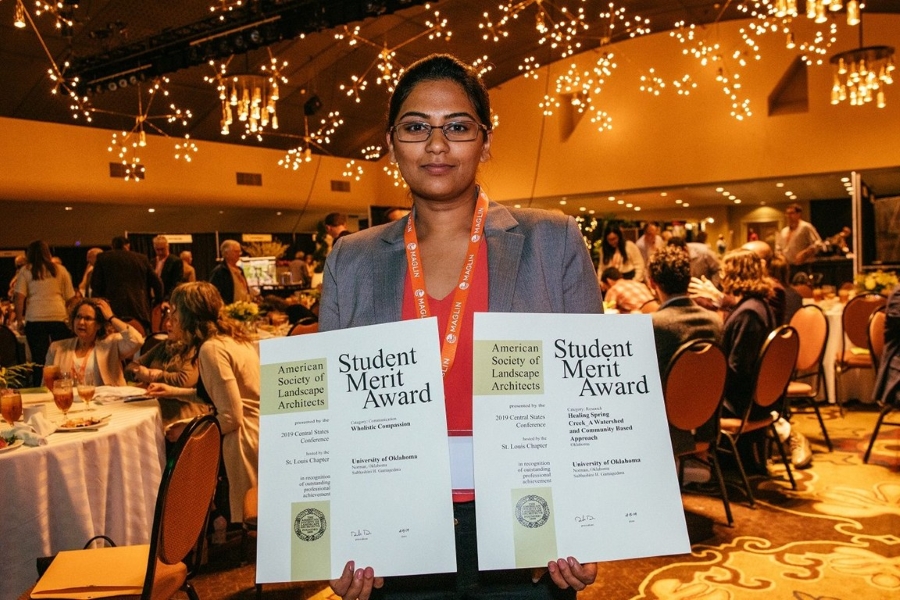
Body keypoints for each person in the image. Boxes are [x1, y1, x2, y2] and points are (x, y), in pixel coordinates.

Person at [319, 53, 600, 600]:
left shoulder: (552, 240)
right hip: (393, 529)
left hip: (528, 527)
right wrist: (334, 536)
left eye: (457, 127)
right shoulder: (350, 259)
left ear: (485, 142)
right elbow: (330, 412)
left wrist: (591, 522)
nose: (436, 144)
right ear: (391, 143)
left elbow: (587, 395)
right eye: (416, 127)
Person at [146, 282, 259, 523]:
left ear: (188, 315)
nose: (170, 319)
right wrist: (173, 392)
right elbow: (223, 395)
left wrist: (189, 430)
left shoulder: (211, 349)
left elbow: (231, 417)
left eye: (174, 311)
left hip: (242, 442)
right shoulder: (233, 339)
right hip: (259, 432)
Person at [646, 246, 723, 456]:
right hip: (707, 424)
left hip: (665, 432)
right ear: (689, 281)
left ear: (652, 283)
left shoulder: (651, 325)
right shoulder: (715, 322)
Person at [13, 241, 77, 385]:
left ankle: (40, 386)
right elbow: (71, 298)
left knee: (39, 360)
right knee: (61, 357)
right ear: (48, 252)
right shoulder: (60, 270)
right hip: (59, 317)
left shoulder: (25, 271)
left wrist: (19, 320)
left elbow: (19, 297)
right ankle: (64, 385)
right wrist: (71, 318)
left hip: (35, 319)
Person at [45, 297, 144, 386]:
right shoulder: (57, 348)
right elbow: (46, 386)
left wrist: (111, 317)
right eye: (78, 317)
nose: (81, 322)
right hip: (70, 399)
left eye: (87, 318)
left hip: (107, 399)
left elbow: (137, 340)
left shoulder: (110, 343)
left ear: (98, 324)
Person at [91, 235, 163, 333]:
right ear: (127, 246)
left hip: (111, 310)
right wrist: (157, 302)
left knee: (112, 340)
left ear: (112, 246)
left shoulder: (102, 258)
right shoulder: (142, 258)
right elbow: (157, 283)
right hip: (138, 309)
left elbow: (95, 285)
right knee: (139, 339)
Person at [208, 239, 252, 304]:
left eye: (240, 251)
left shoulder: (240, 270)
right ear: (226, 254)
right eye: (236, 251)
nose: (239, 254)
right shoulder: (219, 271)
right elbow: (213, 294)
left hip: (244, 307)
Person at [152, 235, 184, 299]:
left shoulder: (175, 261)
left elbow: (176, 283)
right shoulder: (152, 261)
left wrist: (167, 299)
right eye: (157, 249)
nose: (160, 252)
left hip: (168, 297)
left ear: (168, 247)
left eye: (162, 249)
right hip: (154, 297)